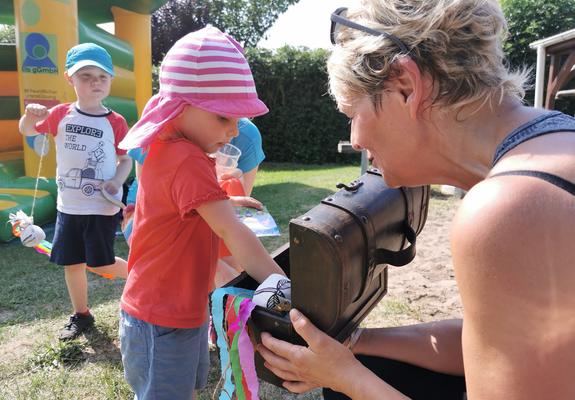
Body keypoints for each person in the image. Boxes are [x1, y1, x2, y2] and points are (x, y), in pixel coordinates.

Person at [257, 1, 575, 399]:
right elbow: (497, 343)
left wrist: (346, 379)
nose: (355, 139)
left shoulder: (511, 209)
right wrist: (356, 344)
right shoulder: (552, 141)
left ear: (405, 86)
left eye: (351, 112)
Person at [117, 26, 286, 400]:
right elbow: (231, 233)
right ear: (180, 106)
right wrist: (279, 285)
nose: (233, 131)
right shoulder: (187, 158)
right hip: (162, 317)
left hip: (175, 309)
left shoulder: (169, 147)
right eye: (223, 118)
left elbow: (176, 207)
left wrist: (224, 204)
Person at [19, 43, 131, 341]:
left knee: (102, 263)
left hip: (101, 207)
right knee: (73, 264)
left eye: (102, 76)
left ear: (109, 81)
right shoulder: (59, 114)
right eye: (86, 75)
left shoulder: (115, 121)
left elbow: (126, 158)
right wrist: (30, 117)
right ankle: (81, 314)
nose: (95, 82)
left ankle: (142, 276)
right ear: (70, 78)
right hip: (68, 206)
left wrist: (117, 181)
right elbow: (28, 131)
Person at [121, 118, 266, 286]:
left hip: (209, 214)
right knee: (219, 272)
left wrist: (233, 183)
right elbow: (151, 201)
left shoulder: (247, 135)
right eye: (222, 117)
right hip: (152, 218)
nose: (234, 130)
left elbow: (233, 214)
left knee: (234, 263)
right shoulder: (163, 130)